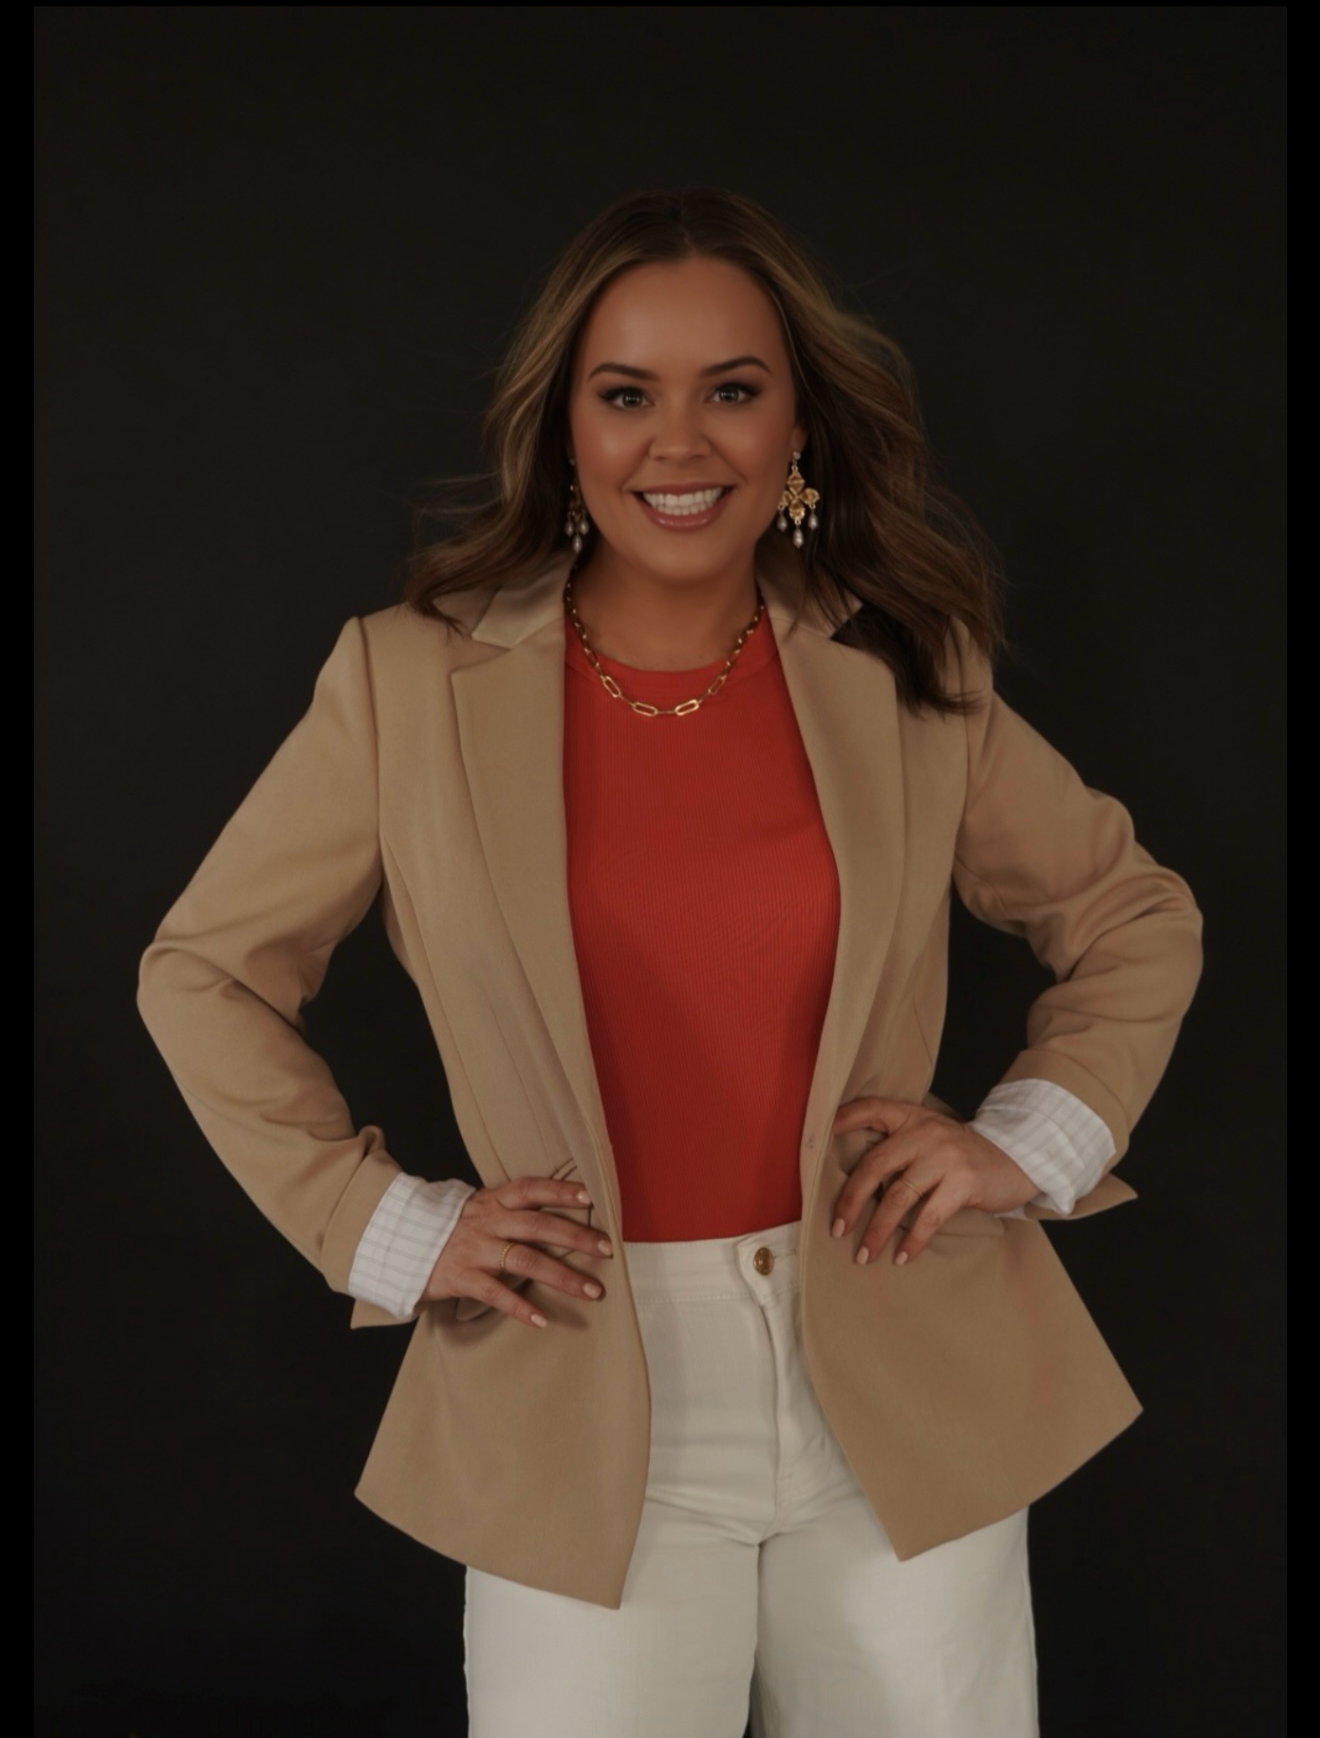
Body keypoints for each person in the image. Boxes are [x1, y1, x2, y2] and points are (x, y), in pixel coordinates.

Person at [137, 188, 1203, 1736]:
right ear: (565, 428)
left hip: (904, 1366)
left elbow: (1133, 914)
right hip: (583, 1391)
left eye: (732, 390)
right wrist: (385, 1227)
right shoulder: (408, 678)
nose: (678, 443)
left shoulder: (902, 665)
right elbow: (205, 970)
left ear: (797, 430)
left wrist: (1024, 1143)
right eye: (626, 394)